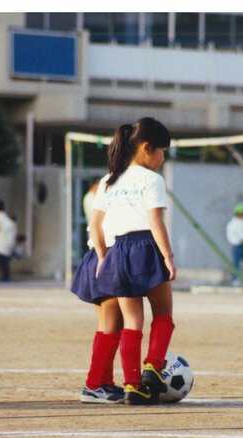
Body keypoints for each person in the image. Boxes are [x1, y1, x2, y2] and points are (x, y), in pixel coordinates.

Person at [91, 117, 176, 405]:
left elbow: (95, 225)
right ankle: (153, 365)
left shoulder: (108, 180)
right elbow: (155, 221)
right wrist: (168, 256)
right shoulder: (152, 180)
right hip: (146, 247)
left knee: (132, 321)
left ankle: (133, 386)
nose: (162, 158)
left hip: (118, 250)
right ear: (147, 148)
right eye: (162, 151)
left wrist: (103, 258)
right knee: (163, 313)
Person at [71, 187, 124, 404]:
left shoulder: (105, 185)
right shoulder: (128, 186)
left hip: (94, 254)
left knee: (105, 326)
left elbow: (94, 225)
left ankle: (103, 382)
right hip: (108, 253)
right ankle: (93, 385)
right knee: (112, 326)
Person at [0, 199, 17, 282]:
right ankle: (5, 278)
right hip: (6, 244)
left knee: (1, 263)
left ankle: (3, 279)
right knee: (4, 263)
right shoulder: (7, 219)